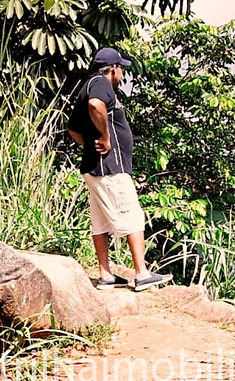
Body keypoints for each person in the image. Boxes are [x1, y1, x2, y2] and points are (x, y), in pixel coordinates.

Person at [67, 47, 172, 292]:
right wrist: (104, 137)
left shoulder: (87, 85)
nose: (122, 73)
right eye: (121, 68)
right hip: (110, 167)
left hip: (96, 167)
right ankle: (142, 274)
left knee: (101, 222)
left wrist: (91, 146)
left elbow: (72, 130)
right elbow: (95, 105)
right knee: (132, 216)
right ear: (113, 69)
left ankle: (106, 275)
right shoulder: (100, 84)